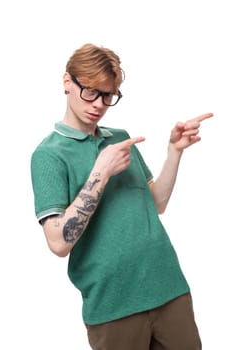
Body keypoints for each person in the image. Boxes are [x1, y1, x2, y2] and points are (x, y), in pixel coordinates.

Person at [30, 43, 213, 350]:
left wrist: (174, 152)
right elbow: (58, 242)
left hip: (169, 287)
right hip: (114, 305)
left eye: (108, 95)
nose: (98, 104)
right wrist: (100, 173)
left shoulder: (119, 138)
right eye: (90, 91)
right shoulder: (48, 155)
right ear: (67, 82)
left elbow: (156, 204)